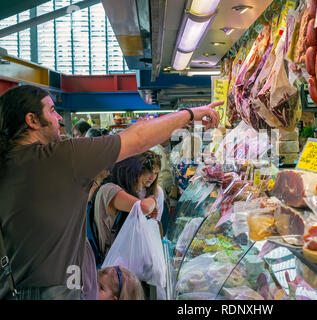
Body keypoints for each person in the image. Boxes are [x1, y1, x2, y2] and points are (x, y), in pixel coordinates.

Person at [0, 84, 221, 300]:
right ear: (32, 120)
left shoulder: (12, 164)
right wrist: (191, 114)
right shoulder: (59, 157)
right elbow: (139, 140)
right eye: (51, 110)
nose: (59, 117)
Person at [93, 153, 161, 260]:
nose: (152, 178)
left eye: (156, 173)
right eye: (146, 173)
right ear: (131, 173)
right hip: (111, 262)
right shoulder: (110, 190)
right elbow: (144, 207)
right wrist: (153, 199)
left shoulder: (112, 189)